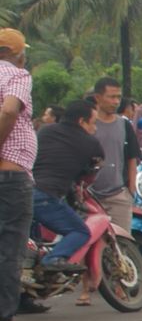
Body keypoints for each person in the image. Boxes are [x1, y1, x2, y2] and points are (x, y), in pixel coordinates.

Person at [0, 28, 42, 321]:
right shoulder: (17, 74)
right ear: (16, 53)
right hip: (11, 178)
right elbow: (10, 110)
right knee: (9, 251)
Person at [31, 99, 101, 272]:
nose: (95, 128)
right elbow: (92, 171)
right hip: (46, 196)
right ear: (81, 121)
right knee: (81, 232)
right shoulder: (91, 143)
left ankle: (27, 294)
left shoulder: (45, 131)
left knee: (35, 245)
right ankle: (54, 259)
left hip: (22, 191)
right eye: (93, 123)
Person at [88, 77, 138, 232]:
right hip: (89, 196)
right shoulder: (88, 124)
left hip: (118, 196)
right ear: (98, 97)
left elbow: (132, 158)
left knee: (122, 244)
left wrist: (131, 191)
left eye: (118, 97)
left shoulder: (124, 125)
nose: (116, 101)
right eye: (111, 97)